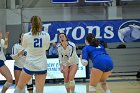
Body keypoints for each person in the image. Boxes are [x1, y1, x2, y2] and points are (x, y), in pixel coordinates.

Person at [14, 16, 50, 93]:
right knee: (39, 91)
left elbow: (24, 46)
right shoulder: (46, 35)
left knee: (19, 87)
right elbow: (46, 48)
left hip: (29, 64)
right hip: (41, 65)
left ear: (31, 24)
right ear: (40, 24)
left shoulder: (26, 36)